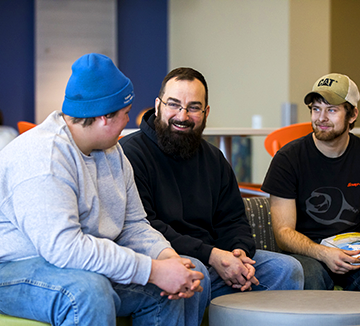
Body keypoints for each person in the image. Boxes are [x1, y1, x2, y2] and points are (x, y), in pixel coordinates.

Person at [0, 54, 210, 326]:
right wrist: (151, 270)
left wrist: (169, 260)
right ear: (103, 117)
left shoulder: (111, 152)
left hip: (80, 265)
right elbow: (64, 249)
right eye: (125, 113)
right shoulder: (43, 158)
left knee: (183, 279)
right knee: (88, 291)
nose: (129, 121)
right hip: (16, 268)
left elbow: (134, 223)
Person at [120, 67, 304, 301]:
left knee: (287, 269)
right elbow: (145, 227)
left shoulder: (214, 158)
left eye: (193, 107)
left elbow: (233, 219)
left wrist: (238, 253)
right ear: (158, 106)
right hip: (167, 259)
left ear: (206, 112)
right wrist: (213, 256)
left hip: (215, 259)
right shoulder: (130, 154)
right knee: (195, 273)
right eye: (173, 104)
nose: (182, 116)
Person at [261, 73, 360, 290]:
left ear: (352, 114)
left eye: (331, 110)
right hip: (307, 253)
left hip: (353, 250)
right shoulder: (288, 158)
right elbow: (283, 234)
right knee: (309, 278)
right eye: (316, 109)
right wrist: (324, 253)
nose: (321, 118)